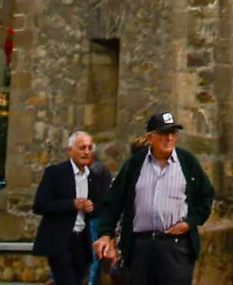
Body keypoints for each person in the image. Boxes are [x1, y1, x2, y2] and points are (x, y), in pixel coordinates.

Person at [92, 111, 216, 285]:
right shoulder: (134, 165)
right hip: (140, 247)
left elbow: (206, 197)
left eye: (173, 134)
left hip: (176, 247)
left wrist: (190, 222)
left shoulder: (187, 162)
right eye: (164, 134)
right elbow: (112, 202)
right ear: (150, 138)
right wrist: (106, 234)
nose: (169, 138)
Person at [31, 131, 109, 285]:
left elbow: (99, 207)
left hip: (81, 241)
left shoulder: (93, 176)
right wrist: (71, 204)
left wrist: (91, 208)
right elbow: (39, 205)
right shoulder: (56, 173)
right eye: (82, 148)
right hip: (60, 240)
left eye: (89, 148)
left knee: (80, 278)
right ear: (70, 150)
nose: (86, 152)